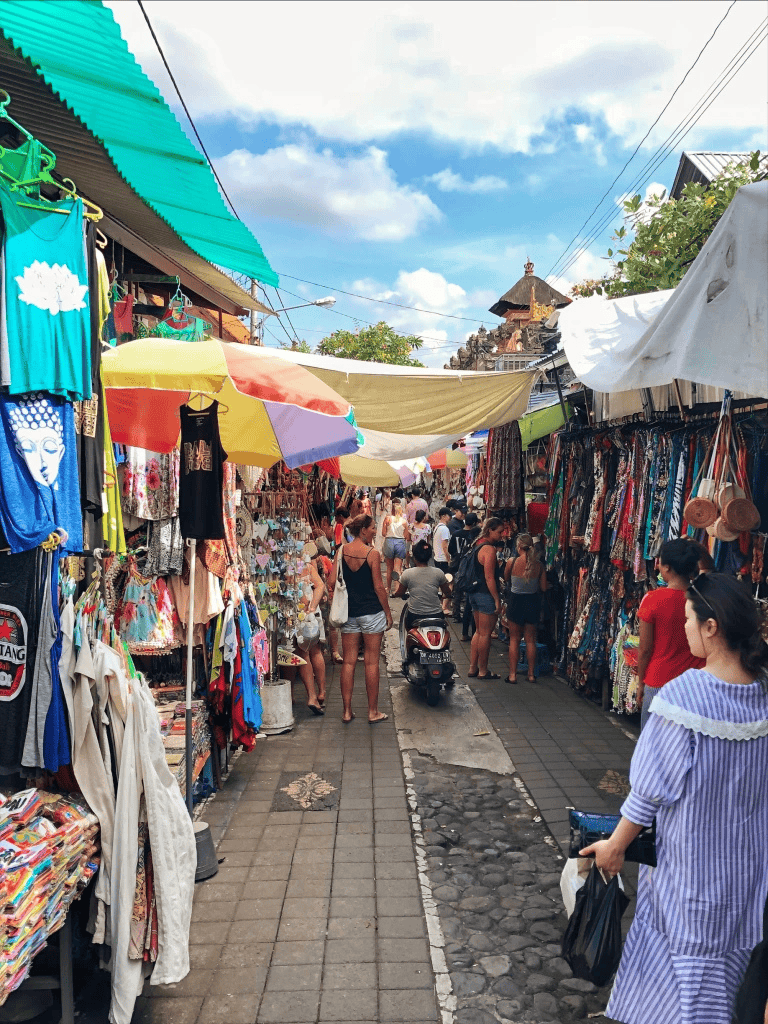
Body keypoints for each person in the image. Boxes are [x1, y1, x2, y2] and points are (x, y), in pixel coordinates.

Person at [581, 572, 768, 1024]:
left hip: (690, 878)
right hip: (746, 880)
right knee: (728, 983)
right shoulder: (762, 691)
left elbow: (647, 795)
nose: (684, 627)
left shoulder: (682, 697)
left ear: (711, 626)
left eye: (689, 619)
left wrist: (614, 847)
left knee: (683, 989)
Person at [637, 538, 705, 729]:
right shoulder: (703, 600)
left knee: (653, 749)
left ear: (665, 567)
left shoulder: (652, 600)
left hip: (660, 681)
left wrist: (641, 683)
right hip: (694, 684)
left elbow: (645, 650)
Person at [339, 514, 392, 723]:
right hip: (371, 612)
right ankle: (372, 712)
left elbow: (333, 580)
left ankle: (346, 711)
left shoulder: (341, 551)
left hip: (349, 613)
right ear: (363, 530)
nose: (374, 531)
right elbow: (379, 587)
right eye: (372, 528)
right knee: (371, 662)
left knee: (349, 662)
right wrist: (387, 612)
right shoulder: (372, 553)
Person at [503, 533, 547, 683]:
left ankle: (512, 675)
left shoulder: (512, 561)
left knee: (514, 639)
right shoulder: (539, 565)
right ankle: (531, 675)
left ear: (519, 546)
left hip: (516, 602)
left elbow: (506, 578)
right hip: (532, 602)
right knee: (530, 640)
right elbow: (543, 587)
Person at [467, 517, 505, 680]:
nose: (502, 535)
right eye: (499, 532)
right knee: (485, 634)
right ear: (490, 530)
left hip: (474, 593)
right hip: (484, 594)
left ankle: (472, 667)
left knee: (478, 632)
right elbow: (490, 578)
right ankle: (483, 670)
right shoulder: (489, 549)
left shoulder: (477, 544)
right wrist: (496, 599)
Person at [295, 542, 327, 714]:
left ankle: (312, 696)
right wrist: (313, 607)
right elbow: (320, 585)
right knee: (315, 651)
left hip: (299, 614)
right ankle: (321, 692)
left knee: (303, 652)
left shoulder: (286, 567)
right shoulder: (306, 566)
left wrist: (309, 607)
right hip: (310, 613)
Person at [393, 540, 452, 628]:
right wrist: (445, 595)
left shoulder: (407, 574)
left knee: (410, 635)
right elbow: (447, 592)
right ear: (429, 557)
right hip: (436, 615)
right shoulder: (438, 572)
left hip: (415, 615)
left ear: (414, 557)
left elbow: (400, 593)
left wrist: (394, 594)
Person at [449, 511, 480, 627]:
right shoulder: (475, 536)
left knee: (457, 591)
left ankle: (456, 615)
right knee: (468, 593)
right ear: (475, 523)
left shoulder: (456, 534)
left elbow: (450, 549)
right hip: (470, 567)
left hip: (457, 565)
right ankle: (469, 617)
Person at [382, 499, 408, 595]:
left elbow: (383, 533)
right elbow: (406, 536)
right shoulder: (404, 521)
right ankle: (397, 589)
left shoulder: (388, 518)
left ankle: (388, 588)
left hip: (389, 541)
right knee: (398, 569)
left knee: (389, 568)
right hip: (400, 542)